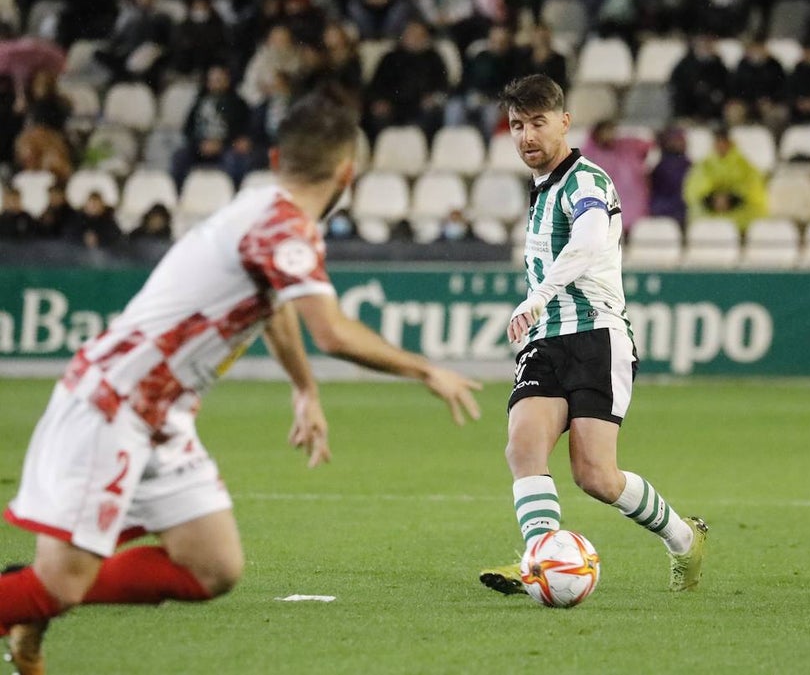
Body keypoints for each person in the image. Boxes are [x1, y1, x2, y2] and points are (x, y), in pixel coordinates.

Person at [0, 92, 483, 673]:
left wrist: (304, 389)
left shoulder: (266, 211)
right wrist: (426, 368)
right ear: (348, 173)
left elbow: (276, 308)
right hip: (115, 403)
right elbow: (330, 332)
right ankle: (31, 594)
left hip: (161, 416)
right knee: (59, 583)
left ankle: (33, 594)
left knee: (213, 566)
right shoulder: (284, 229)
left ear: (277, 158)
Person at [477, 75, 707, 598]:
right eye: (517, 125)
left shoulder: (586, 181)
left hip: (597, 336)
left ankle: (684, 538)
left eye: (537, 123)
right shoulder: (540, 190)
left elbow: (585, 242)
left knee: (596, 476)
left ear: (563, 122)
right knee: (523, 446)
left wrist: (538, 297)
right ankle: (539, 557)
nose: (526, 136)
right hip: (546, 340)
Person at [682, 126, 767, 232]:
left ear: (731, 143)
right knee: (695, 211)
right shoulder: (703, 166)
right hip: (709, 211)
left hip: (739, 211)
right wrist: (712, 200)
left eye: (724, 142)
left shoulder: (745, 166)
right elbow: (693, 192)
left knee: (755, 213)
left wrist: (732, 199)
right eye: (718, 142)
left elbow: (755, 191)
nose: (721, 145)